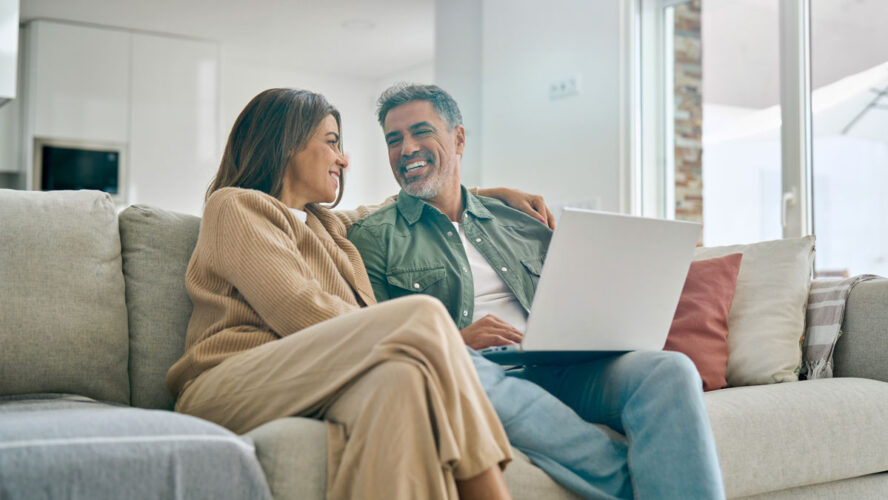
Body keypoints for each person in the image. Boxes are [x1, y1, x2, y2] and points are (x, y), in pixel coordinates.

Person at [164, 88, 555, 500]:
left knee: (402, 379)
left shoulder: (326, 226)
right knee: (423, 315)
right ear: (286, 143)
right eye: (332, 143)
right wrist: (437, 340)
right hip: (230, 381)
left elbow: (405, 202)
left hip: (315, 376)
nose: (344, 159)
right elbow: (299, 309)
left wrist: (491, 195)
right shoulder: (236, 207)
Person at [347, 83, 727, 500]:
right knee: (459, 371)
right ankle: (642, 483)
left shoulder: (520, 220)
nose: (407, 148)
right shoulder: (373, 237)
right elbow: (381, 341)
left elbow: (574, 294)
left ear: (458, 138)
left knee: (669, 369)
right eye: (394, 139)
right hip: (475, 371)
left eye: (421, 132)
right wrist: (455, 343)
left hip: (559, 366)